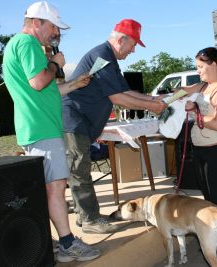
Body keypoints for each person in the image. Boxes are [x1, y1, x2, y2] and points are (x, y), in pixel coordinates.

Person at [2, 1, 100, 262]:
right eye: (52, 27)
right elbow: (38, 82)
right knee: (56, 187)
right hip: (41, 126)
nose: (55, 33)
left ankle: (56, 242)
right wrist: (55, 64)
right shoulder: (28, 44)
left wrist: (74, 84)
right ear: (37, 23)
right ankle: (68, 243)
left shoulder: (18, 45)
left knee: (52, 186)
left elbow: (47, 90)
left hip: (38, 125)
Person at [62, 19, 167, 234]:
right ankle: (90, 220)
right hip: (74, 119)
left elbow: (126, 91)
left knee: (81, 168)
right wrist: (153, 106)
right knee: (80, 169)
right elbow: (118, 98)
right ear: (121, 39)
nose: (134, 50)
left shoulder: (108, 58)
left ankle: (87, 216)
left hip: (82, 121)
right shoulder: (102, 55)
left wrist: (153, 99)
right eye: (133, 44)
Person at [178, 47, 217, 257]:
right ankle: (216, 238)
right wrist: (162, 99)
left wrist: (196, 115)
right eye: (197, 67)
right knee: (210, 199)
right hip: (201, 152)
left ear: (213, 65)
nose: (198, 71)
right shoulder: (203, 86)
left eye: (201, 67)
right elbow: (185, 90)